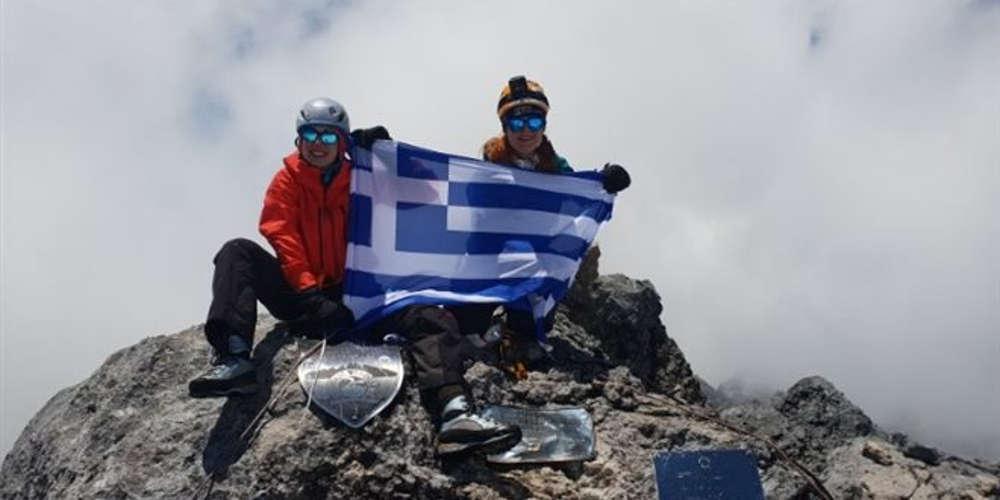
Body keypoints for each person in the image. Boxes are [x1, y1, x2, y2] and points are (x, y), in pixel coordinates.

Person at [188, 97, 520, 457]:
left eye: (328, 136)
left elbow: (425, 194)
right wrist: (309, 293)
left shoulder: (364, 177)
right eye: (310, 135)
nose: (318, 144)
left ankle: (453, 412)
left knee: (428, 317)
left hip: (360, 293)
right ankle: (234, 358)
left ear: (343, 141)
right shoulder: (287, 181)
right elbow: (282, 234)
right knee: (237, 253)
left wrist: (389, 158)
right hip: (303, 298)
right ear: (298, 139)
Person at [454, 76, 632, 369]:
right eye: (516, 122)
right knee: (466, 326)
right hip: (487, 258)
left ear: (544, 126)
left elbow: (577, 197)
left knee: (530, 330)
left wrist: (605, 182)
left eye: (534, 122)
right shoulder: (487, 166)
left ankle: (515, 333)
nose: (526, 131)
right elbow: (469, 203)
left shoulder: (556, 168)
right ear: (504, 126)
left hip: (533, 263)